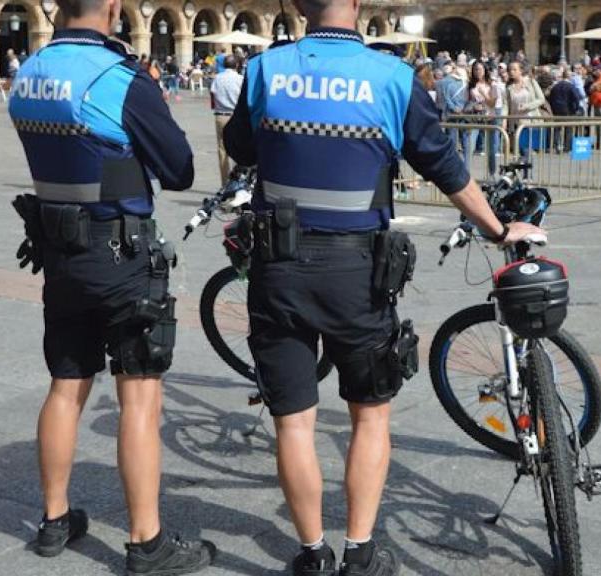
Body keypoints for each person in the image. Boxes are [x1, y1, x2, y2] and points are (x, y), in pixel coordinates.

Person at [222, 2, 546, 574]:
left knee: (293, 420)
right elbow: (446, 168)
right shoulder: (393, 77)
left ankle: (312, 553)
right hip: (358, 275)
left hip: (278, 268)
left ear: (299, 7)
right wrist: (498, 229)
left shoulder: (267, 71)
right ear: (358, 7)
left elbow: (242, 148)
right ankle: (360, 552)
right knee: (369, 416)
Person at [6, 0, 216, 573]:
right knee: (139, 395)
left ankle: (53, 521)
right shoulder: (121, 78)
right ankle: (146, 542)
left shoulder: (27, 74)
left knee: (65, 383)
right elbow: (179, 170)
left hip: (59, 250)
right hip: (121, 253)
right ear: (115, 8)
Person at [210, 54, 243, 186]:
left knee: (222, 150)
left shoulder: (217, 78)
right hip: (236, 116)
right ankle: (239, 181)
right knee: (240, 148)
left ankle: (225, 183)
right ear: (237, 65)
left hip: (221, 115)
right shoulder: (240, 79)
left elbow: (212, 96)